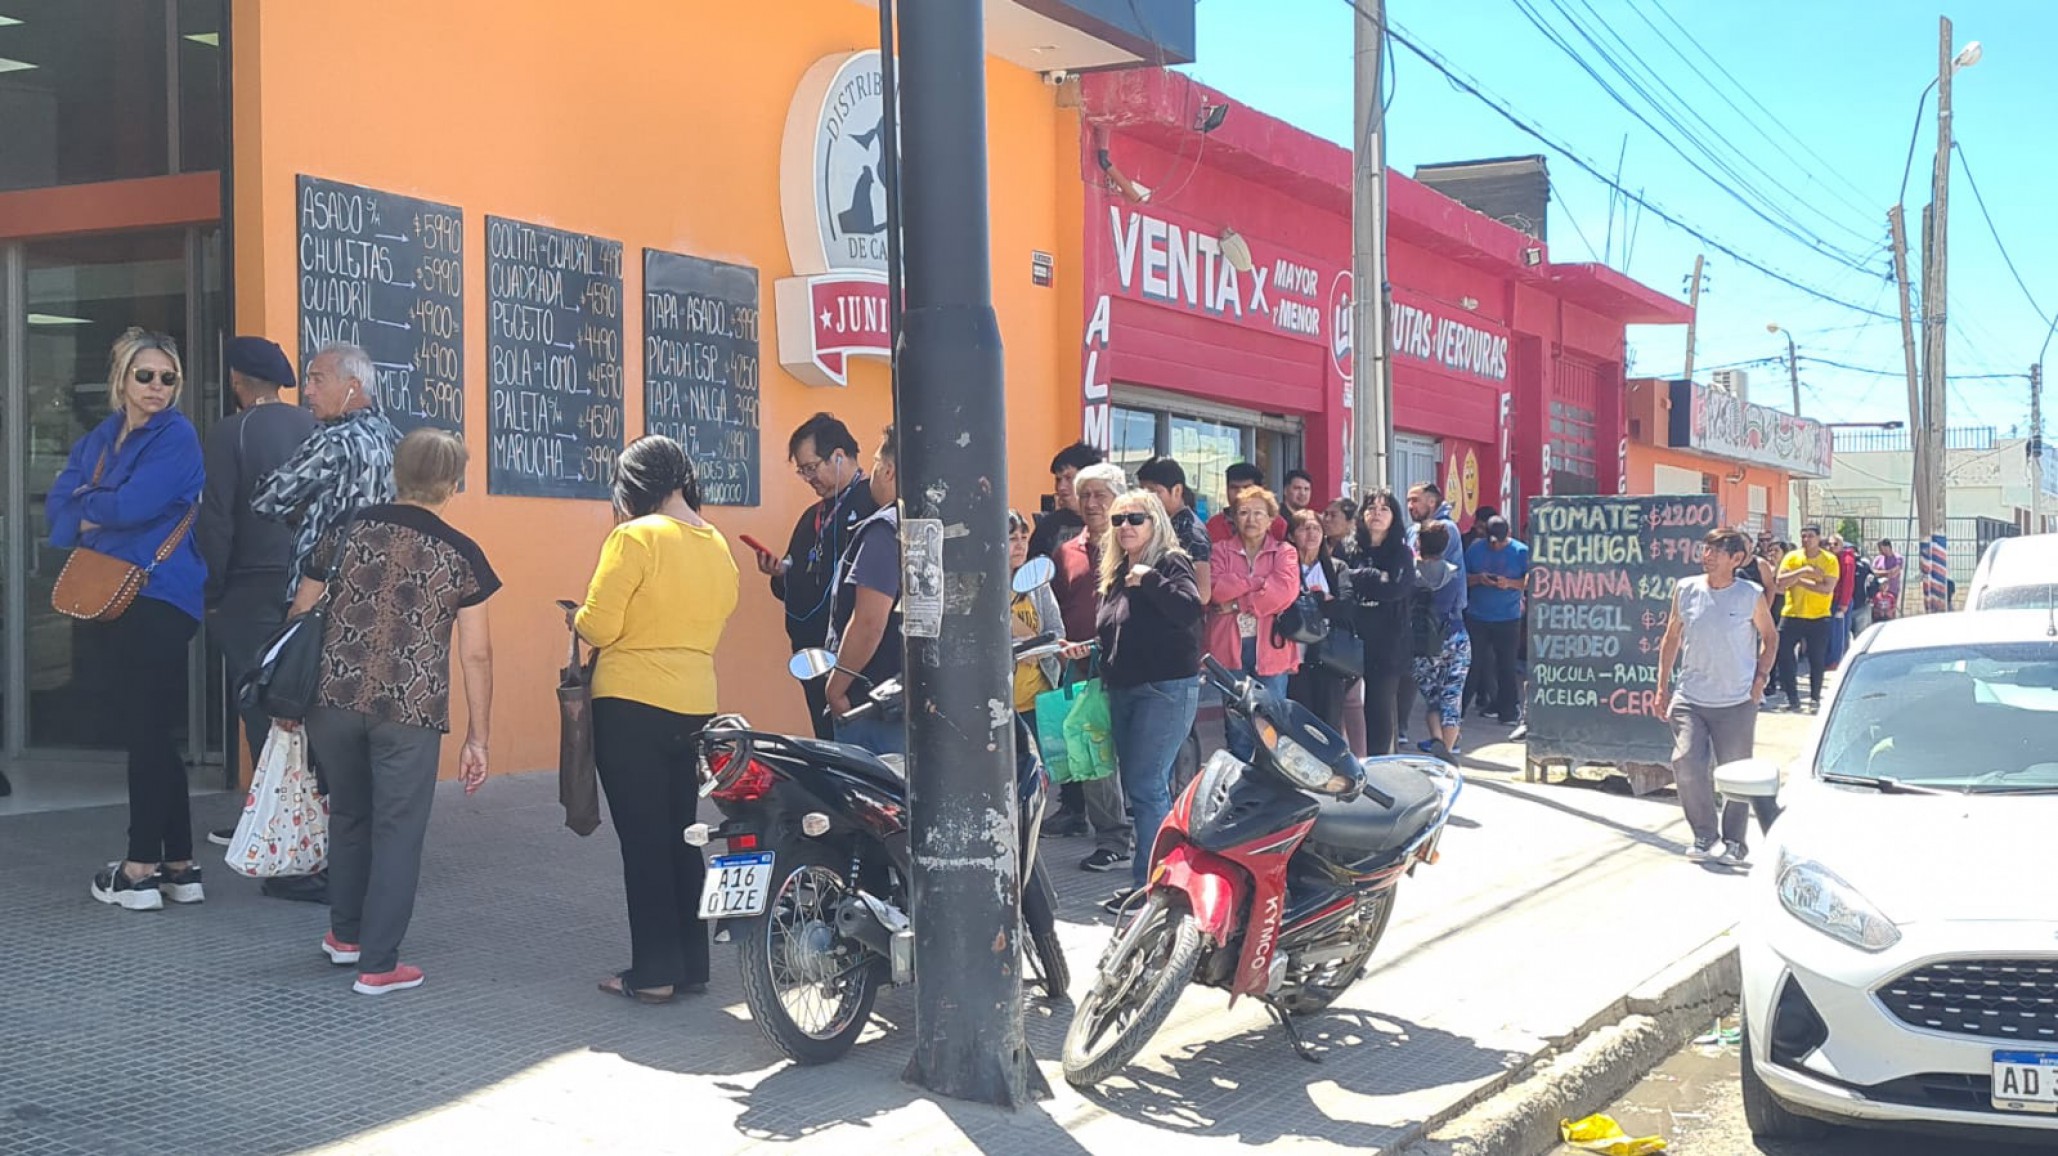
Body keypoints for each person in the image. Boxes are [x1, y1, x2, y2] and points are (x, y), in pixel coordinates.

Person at [294, 429, 497, 994]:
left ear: (397, 472)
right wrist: (478, 737)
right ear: (453, 482)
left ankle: (345, 935)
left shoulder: (347, 529)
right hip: (409, 708)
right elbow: (475, 653)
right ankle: (379, 964)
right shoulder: (462, 555)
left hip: (332, 699)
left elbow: (301, 608)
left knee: (349, 815)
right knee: (398, 831)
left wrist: (289, 693)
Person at [574, 436, 740, 1004]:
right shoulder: (717, 543)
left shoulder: (634, 536)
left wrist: (577, 616)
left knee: (643, 843)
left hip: (631, 703)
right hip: (698, 703)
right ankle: (692, 965)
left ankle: (653, 972)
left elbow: (599, 627)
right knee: (682, 835)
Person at [48, 329, 206, 911]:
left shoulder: (178, 436)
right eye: (146, 376)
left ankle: (140, 868)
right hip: (116, 594)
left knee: (145, 731)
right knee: (152, 731)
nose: (158, 387)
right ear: (122, 379)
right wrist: (99, 506)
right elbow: (59, 509)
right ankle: (181, 865)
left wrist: (96, 505)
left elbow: (131, 506)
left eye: (168, 377)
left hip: (162, 594)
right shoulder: (99, 438)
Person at [248, 340, 401, 904]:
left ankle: (320, 862)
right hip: (379, 608)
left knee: (315, 735)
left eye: (315, 379)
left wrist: (304, 514)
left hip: (321, 608)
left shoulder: (335, 442)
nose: (305, 391)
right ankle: (361, 859)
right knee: (359, 738)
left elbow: (269, 496)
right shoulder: (392, 439)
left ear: (351, 387)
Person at [199, 337, 319, 847]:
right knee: (307, 701)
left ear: (236, 381)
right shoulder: (317, 427)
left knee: (259, 702)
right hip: (311, 583)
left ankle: (267, 821)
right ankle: (313, 816)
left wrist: (212, 587)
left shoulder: (231, 431)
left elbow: (217, 517)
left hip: (250, 584)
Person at [1094, 491, 1203, 906]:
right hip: (1125, 688)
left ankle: (1155, 885)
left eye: (1135, 518)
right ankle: (1153, 879)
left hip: (1164, 688)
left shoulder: (1169, 562)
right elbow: (1119, 628)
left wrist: (1152, 580)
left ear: (1155, 521)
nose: (1125, 526)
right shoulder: (1115, 571)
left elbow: (1191, 609)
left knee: (1146, 786)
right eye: (1118, 519)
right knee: (1138, 786)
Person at [1656, 529, 1779, 866]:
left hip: (1736, 701)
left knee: (1735, 773)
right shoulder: (1686, 589)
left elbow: (1770, 637)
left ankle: (1736, 842)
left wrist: (1759, 682)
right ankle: (1704, 834)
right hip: (1690, 697)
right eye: (1706, 549)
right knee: (1686, 761)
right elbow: (1671, 637)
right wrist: (1661, 686)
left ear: (1736, 559)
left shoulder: (1750, 594)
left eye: (1716, 550)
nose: (1707, 555)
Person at [750, 414, 876, 740]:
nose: (808, 478)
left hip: (856, 664)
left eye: (811, 467)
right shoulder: (812, 517)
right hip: (811, 658)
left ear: (838, 456)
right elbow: (797, 583)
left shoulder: (872, 504)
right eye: (802, 471)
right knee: (828, 746)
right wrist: (780, 574)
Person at [1048, 462, 1138, 870]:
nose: (1092, 503)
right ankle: (1113, 838)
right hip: (1083, 670)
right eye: (1085, 495)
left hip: (1135, 666)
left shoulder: (1136, 546)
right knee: (1092, 754)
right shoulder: (1066, 552)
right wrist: (1060, 644)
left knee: (1140, 760)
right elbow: (1053, 609)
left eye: (1101, 494)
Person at [824, 424, 905, 756]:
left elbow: (869, 623)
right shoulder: (943, 529)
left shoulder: (884, 531)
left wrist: (836, 689)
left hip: (874, 706)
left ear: (888, 470)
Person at [1207, 486, 1301, 761]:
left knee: (1271, 722)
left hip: (1271, 650)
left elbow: (1282, 592)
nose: (1251, 519)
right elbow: (1215, 589)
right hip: (1229, 651)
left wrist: (1237, 604)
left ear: (1271, 519)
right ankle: (1240, 785)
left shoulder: (1284, 552)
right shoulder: (1220, 550)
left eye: (1259, 513)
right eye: (1244, 513)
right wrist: (1258, 584)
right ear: (1234, 518)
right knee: (1237, 725)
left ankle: (1271, 783)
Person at [1342, 492, 1417, 755]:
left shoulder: (1401, 553)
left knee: (1379, 705)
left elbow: (1395, 590)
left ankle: (1378, 764)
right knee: (1343, 703)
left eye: (1385, 509)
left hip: (1389, 640)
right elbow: (1340, 583)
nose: (1377, 513)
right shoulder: (1348, 548)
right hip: (1350, 635)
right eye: (1371, 507)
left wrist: (1362, 577)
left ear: (1394, 517)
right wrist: (1375, 577)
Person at [1285, 510, 1350, 734]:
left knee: (1329, 722)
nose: (1311, 534)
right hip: (1293, 655)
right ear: (1292, 535)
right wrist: (1322, 599)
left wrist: (1314, 599)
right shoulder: (1284, 565)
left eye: (1317, 528)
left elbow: (1344, 605)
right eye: (1304, 528)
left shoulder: (1336, 567)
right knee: (1298, 720)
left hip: (1328, 656)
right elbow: (1283, 604)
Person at [1411, 522, 1472, 760]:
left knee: (1432, 697)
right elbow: (1460, 604)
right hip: (1454, 636)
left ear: (1419, 543)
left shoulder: (1411, 573)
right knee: (1452, 696)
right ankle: (1447, 750)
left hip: (1422, 642)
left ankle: (1436, 739)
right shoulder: (1454, 572)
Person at [1463, 515, 1529, 726]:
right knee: (1471, 663)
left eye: (1499, 542)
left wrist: (1509, 583)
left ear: (1508, 535)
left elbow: (1531, 581)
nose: (1495, 545)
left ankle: (1508, 711)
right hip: (1477, 615)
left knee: (1506, 666)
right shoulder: (1475, 549)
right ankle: (1458, 710)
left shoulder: (1520, 551)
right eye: (1491, 542)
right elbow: (1462, 578)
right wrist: (1479, 579)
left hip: (1508, 618)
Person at [1772, 525, 1838, 713]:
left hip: (1818, 616)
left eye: (1810, 536)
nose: (1806, 540)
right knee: (1783, 654)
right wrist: (1804, 572)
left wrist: (1797, 580)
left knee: (1816, 659)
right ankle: (1792, 699)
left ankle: (1815, 698)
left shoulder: (1829, 560)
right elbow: (1780, 583)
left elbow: (1826, 588)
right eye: (1803, 536)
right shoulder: (1792, 557)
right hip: (1792, 613)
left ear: (1818, 538)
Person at [1008, 510, 1065, 723]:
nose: (1020, 545)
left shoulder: (1036, 581)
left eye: (1024, 538)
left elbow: (1057, 633)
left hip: (1039, 700)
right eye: (1012, 538)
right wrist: (1019, 650)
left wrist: (1034, 650)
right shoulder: (980, 588)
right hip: (1001, 703)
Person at [1136, 455, 1212, 604]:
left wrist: (1153, 582)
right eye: (1142, 493)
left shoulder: (1190, 532)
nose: (1146, 500)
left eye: (1154, 492)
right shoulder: (1165, 524)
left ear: (1177, 490)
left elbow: (1202, 594)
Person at [1027, 442, 1102, 560]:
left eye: (1068, 478)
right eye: (1058, 479)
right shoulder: (1047, 527)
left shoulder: (1117, 521)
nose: (1061, 487)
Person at [1206, 461, 1288, 543]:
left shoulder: (1276, 524)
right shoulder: (1214, 525)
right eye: (1234, 487)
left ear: (1259, 490)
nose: (1239, 493)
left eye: (1246, 488)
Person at [1824, 534, 1858, 669]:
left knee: (1839, 632)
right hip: (1831, 600)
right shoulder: (1833, 558)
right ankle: (1831, 659)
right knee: (1832, 631)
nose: (1832, 547)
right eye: (1830, 544)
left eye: (1835, 544)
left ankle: (1837, 660)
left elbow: (1848, 583)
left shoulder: (1847, 559)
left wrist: (1844, 603)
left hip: (1840, 601)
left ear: (1842, 545)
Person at [1870, 538, 1903, 621]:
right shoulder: (1878, 559)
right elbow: (1873, 572)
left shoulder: (1898, 558)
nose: (1879, 550)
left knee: (1890, 613)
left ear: (1887, 547)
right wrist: (1887, 572)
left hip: (1892, 590)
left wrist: (1881, 573)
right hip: (1878, 591)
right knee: (1877, 614)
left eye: (1880, 548)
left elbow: (1894, 573)